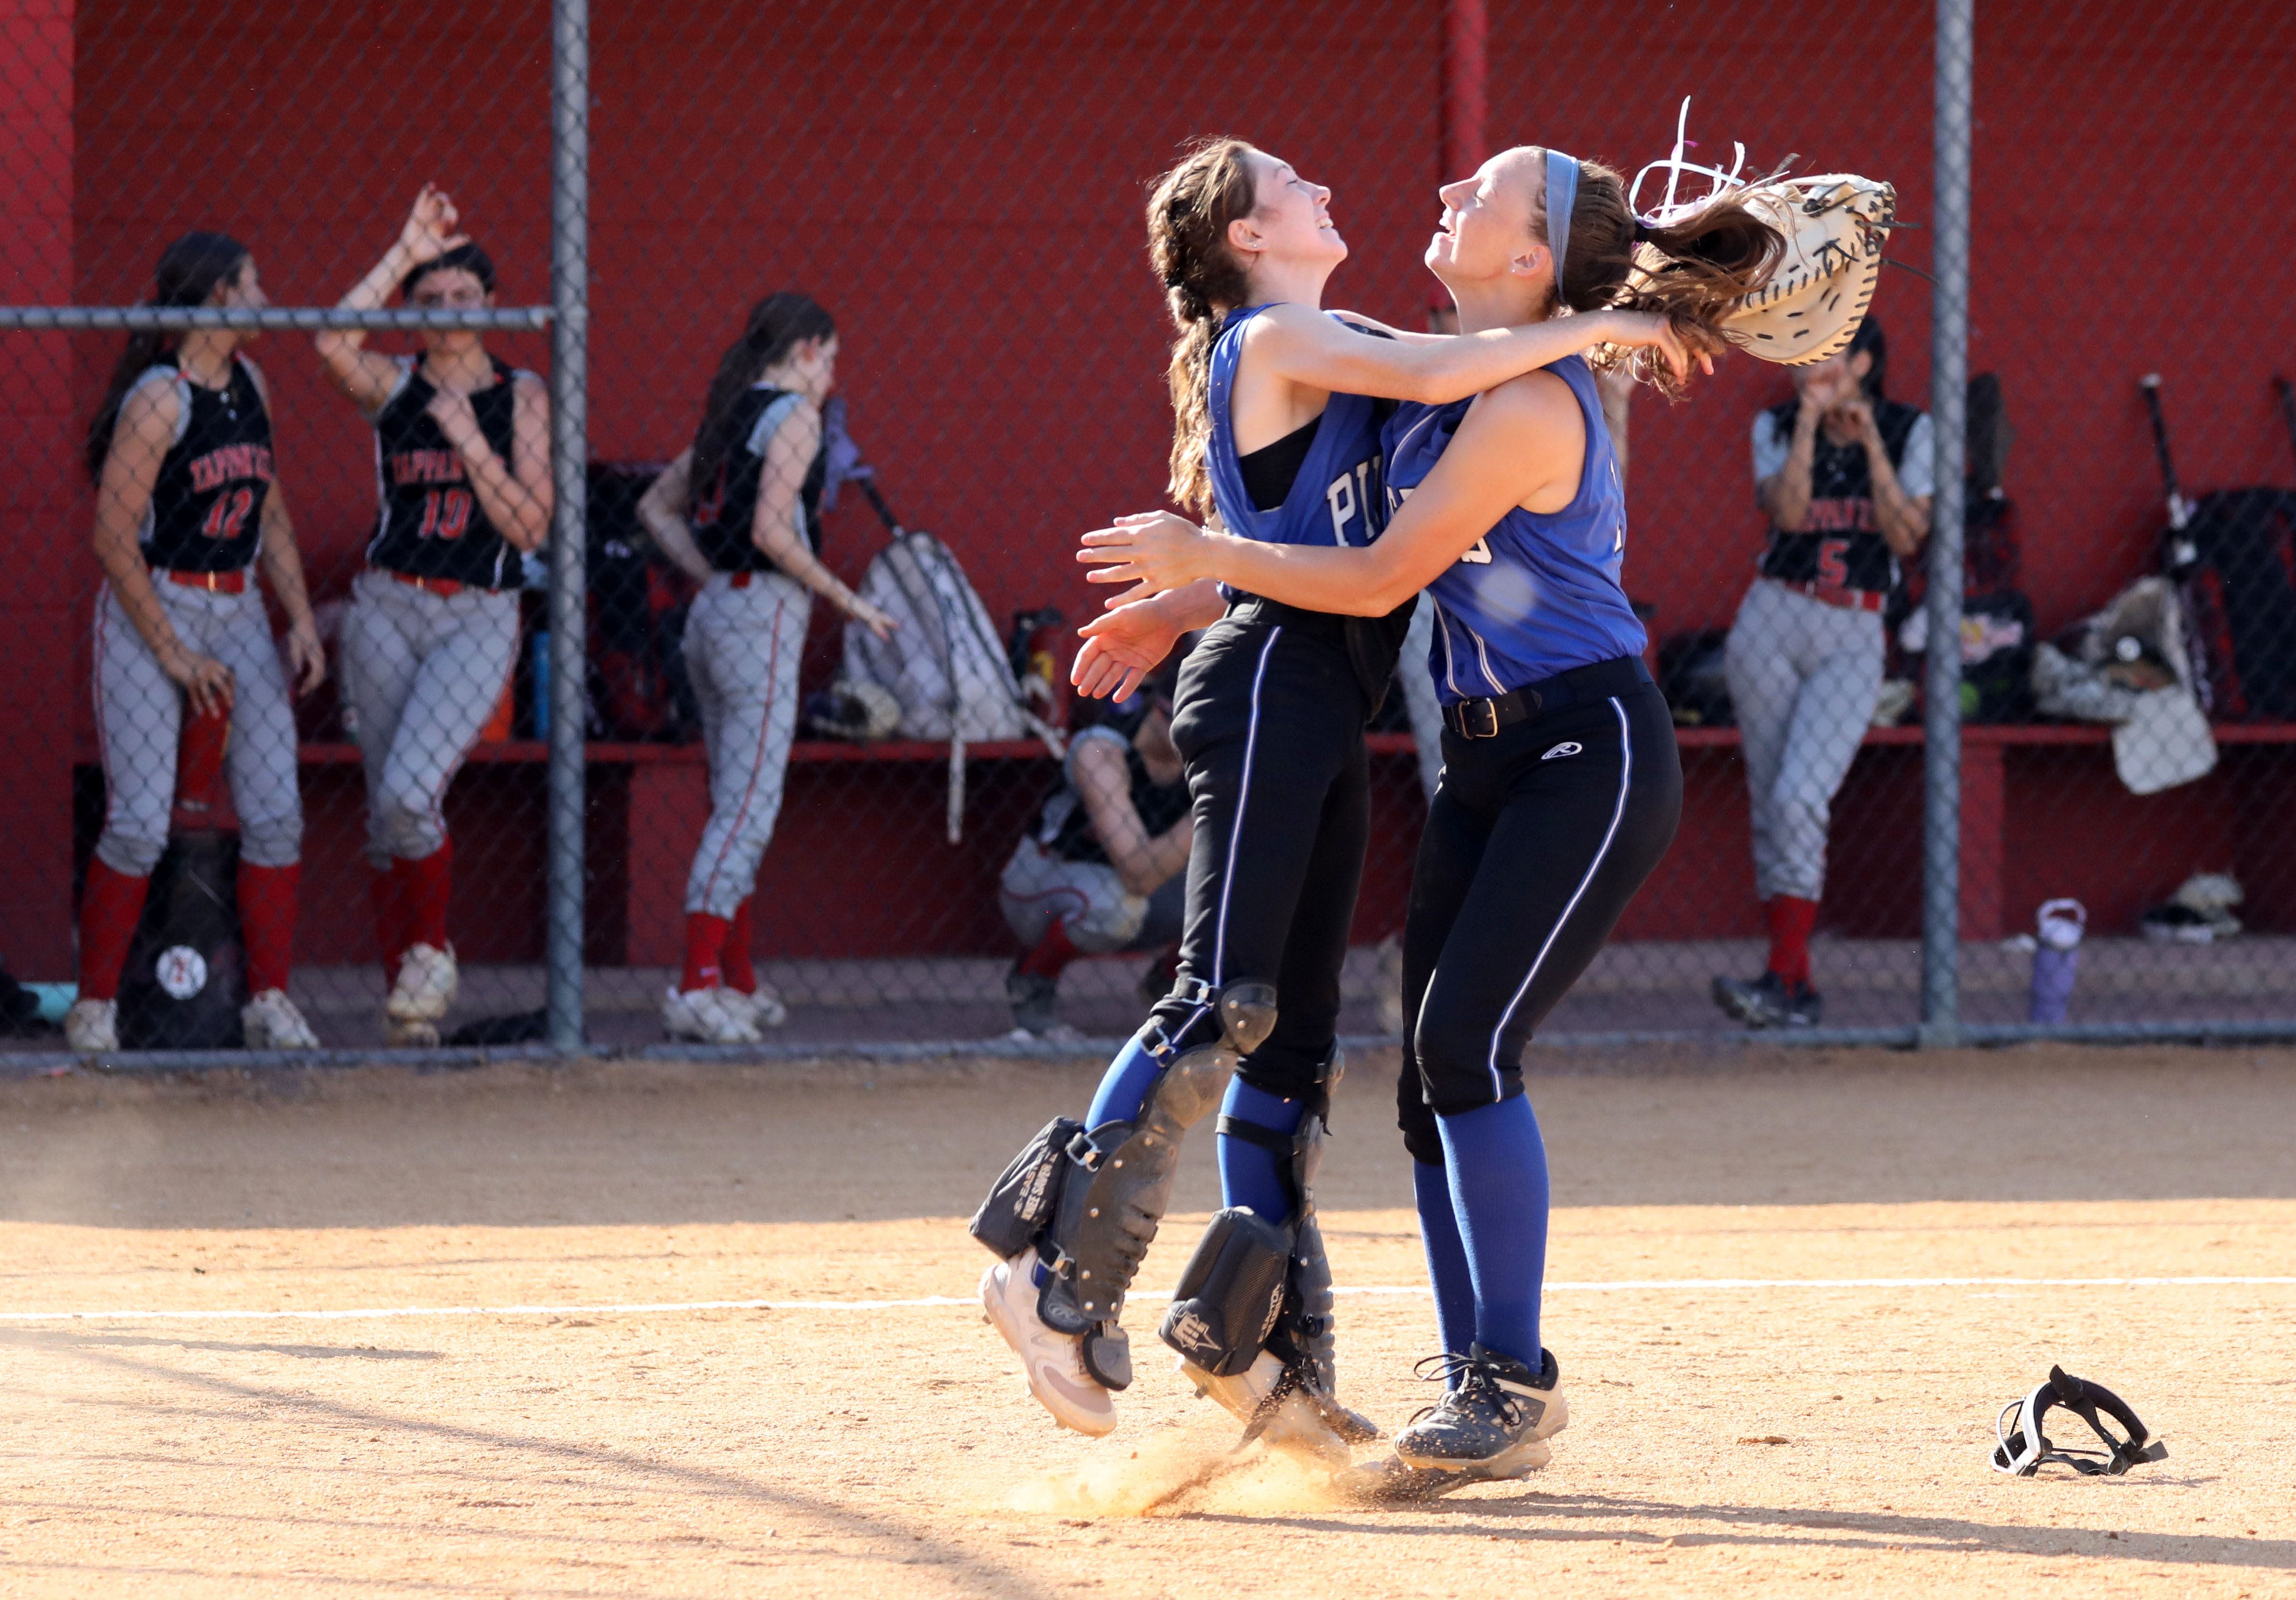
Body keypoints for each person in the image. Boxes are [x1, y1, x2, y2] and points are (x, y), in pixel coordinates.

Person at [966, 134, 1693, 1458]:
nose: (1438, 193)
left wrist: (1198, 571)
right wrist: (1196, 590)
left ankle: (1491, 1377)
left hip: (1582, 745)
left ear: (1529, 258)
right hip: (1460, 749)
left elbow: (1362, 575)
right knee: (1368, 1052)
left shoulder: (1510, 395)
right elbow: (1335, 546)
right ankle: (1295, 1346)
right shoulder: (1404, 376)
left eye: (1482, 196)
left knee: (1426, 1047)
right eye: (1292, 184)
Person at [69, 233, 328, 1054]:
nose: (265, 296)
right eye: (254, 283)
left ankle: (269, 1002)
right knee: (142, 823)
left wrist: (302, 617)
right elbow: (113, 539)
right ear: (219, 296)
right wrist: (175, 654)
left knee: (275, 815)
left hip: (240, 606)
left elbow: (271, 512)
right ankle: (94, 1007)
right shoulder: (160, 396)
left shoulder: (251, 382)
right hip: (158, 600)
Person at [316, 188, 553, 1046]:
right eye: (432, 299)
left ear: (490, 304)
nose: (450, 311)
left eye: (464, 297)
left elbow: (531, 525)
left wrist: (469, 443)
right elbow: (331, 341)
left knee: (415, 794)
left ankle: (429, 952)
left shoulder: (520, 393)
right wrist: (403, 246)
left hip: (476, 614)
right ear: (413, 313)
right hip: (385, 605)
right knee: (387, 818)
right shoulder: (397, 385)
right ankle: (405, 1005)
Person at [636, 293, 897, 1045]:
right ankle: (696, 984)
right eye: (831, 356)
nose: (831, 374)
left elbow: (657, 508)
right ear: (808, 349)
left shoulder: (731, 408)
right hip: (762, 617)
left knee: (732, 799)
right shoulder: (791, 413)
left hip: (718, 612)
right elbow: (771, 530)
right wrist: (845, 596)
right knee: (746, 806)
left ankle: (735, 981)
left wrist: (709, 574)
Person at [1711, 319, 1931, 1029]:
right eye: (1800, 355)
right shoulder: (1774, 425)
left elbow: (1906, 535)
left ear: (1863, 359)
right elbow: (1789, 515)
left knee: (1801, 796)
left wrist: (1866, 442)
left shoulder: (1906, 429)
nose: (1808, 367)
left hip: (1853, 628)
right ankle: (1791, 987)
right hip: (1772, 618)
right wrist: (1808, 424)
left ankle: (1783, 979)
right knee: (1772, 803)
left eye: (1826, 353)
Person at [999, 671, 1192, 1039]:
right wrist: (1215, 805)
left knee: (1245, 894)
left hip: (1135, 891)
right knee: (1116, 909)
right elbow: (1138, 872)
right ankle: (1033, 979)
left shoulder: (1210, 759)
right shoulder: (1103, 749)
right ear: (1161, 712)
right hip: (1045, 883)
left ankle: (1172, 985)